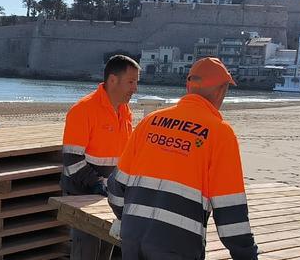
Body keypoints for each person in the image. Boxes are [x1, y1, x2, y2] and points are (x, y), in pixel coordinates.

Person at [107, 57, 258, 260]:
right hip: (176, 244)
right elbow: (231, 212)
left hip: (133, 237)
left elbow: (116, 187)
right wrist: (247, 255)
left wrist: (128, 220)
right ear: (222, 91)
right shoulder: (220, 133)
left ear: (188, 86)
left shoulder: (150, 122)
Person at [62, 54, 140, 260]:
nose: (135, 89)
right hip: (84, 195)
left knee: (106, 252)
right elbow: (72, 162)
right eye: (131, 82)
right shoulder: (83, 110)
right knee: (86, 253)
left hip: (110, 196)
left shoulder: (125, 111)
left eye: (136, 83)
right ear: (113, 80)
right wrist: (99, 185)